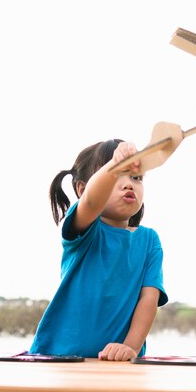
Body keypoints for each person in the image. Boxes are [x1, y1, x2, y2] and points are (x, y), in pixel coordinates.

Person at [29, 139, 168, 361]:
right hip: (59, 358)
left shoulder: (149, 241)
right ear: (82, 189)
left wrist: (130, 347)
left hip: (119, 363)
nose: (129, 184)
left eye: (136, 177)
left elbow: (148, 299)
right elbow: (92, 202)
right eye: (117, 175)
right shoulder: (85, 229)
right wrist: (114, 164)